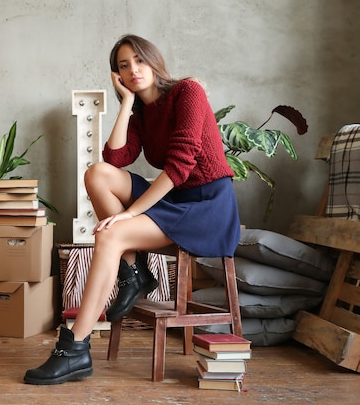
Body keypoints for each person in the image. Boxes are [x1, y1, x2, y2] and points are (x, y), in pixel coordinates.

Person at [23, 34, 241, 385]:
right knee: (97, 174)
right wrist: (126, 103)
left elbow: (180, 166)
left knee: (112, 233)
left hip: (208, 210)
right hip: (174, 201)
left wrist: (130, 213)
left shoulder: (188, 92)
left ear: (154, 60)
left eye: (139, 60)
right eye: (124, 66)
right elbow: (115, 159)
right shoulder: (141, 112)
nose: (134, 70)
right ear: (117, 76)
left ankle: (74, 347)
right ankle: (133, 270)